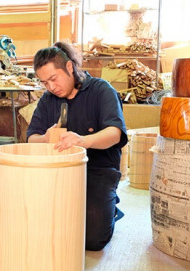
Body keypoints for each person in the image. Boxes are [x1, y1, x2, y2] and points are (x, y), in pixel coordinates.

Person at [26, 41, 128, 251]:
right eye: (45, 83)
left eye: (54, 79)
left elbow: (115, 133)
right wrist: (45, 138)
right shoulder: (47, 100)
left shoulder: (101, 90)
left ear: (70, 68)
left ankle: (110, 205)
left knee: (92, 239)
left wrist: (84, 141)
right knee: (36, 223)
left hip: (98, 170)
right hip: (59, 172)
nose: (51, 87)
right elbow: (30, 139)